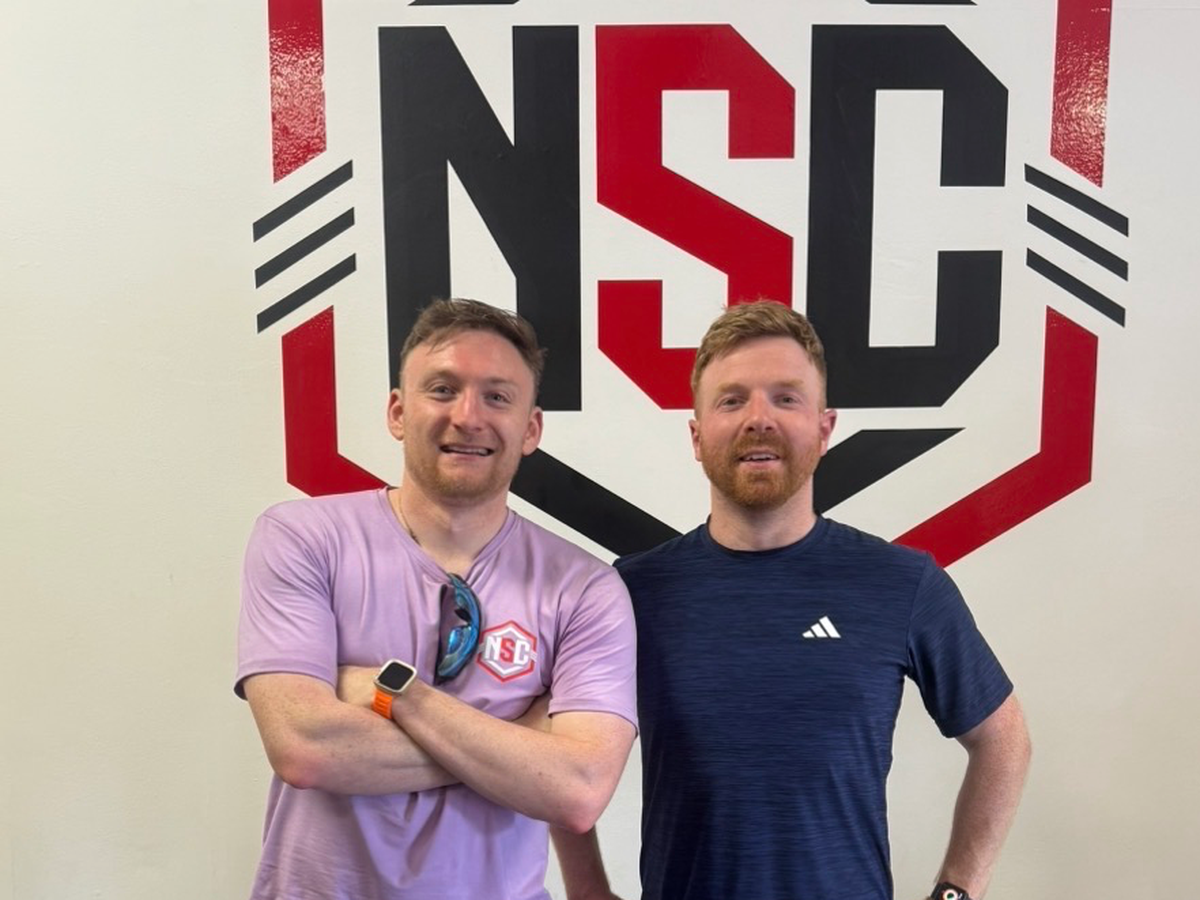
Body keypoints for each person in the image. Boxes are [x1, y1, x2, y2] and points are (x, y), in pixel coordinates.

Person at [554, 301, 1031, 900]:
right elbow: (561, 757)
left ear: (824, 429)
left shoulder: (901, 583)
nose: (760, 418)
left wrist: (956, 892)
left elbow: (1003, 740)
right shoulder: (630, 592)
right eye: (732, 400)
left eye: (786, 398)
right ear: (697, 437)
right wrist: (587, 891)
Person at [236, 298, 638, 900]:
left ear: (531, 429)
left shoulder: (584, 589)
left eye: (497, 397)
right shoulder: (303, 539)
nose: (468, 416)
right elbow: (305, 750)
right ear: (398, 412)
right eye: (443, 389)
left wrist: (393, 693)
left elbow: (578, 792)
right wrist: (521, 745)